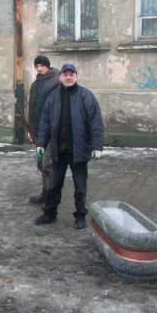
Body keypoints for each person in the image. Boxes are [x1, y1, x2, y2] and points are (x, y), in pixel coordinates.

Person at [34, 63, 103, 230]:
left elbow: (96, 123)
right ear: (60, 77)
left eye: (72, 74)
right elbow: (45, 122)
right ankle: (50, 213)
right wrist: (41, 143)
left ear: (76, 77)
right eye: (65, 74)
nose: (68, 77)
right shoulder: (53, 97)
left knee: (80, 186)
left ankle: (80, 216)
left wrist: (97, 147)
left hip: (78, 152)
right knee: (54, 185)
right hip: (59, 150)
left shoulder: (86, 96)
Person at [27, 55, 60, 204]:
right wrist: (32, 130)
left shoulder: (56, 82)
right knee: (40, 162)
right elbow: (33, 109)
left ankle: (50, 196)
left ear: (48, 66)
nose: (39, 69)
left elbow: (57, 108)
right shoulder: (35, 85)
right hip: (38, 131)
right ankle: (45, 192)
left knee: (48, 164)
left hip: (51, 131)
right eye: (37, 66)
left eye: (42, 66)